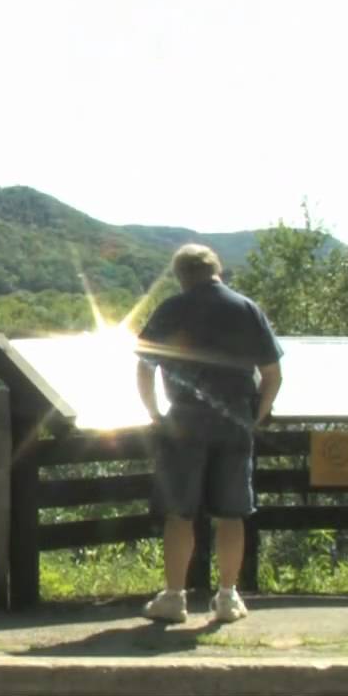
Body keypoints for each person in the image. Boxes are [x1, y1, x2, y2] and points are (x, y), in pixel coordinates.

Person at [135, 243, 282, 624]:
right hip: (235, 421)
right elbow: (272, 375)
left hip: (183, 423)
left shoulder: (171, 309)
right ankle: (228, 598)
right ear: (217, 270)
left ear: (181, 276)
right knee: (233, 513)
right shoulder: (247, 309)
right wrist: (255, 417)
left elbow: (145, 368)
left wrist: (155, 414)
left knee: (179, 513)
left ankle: (173, 598)